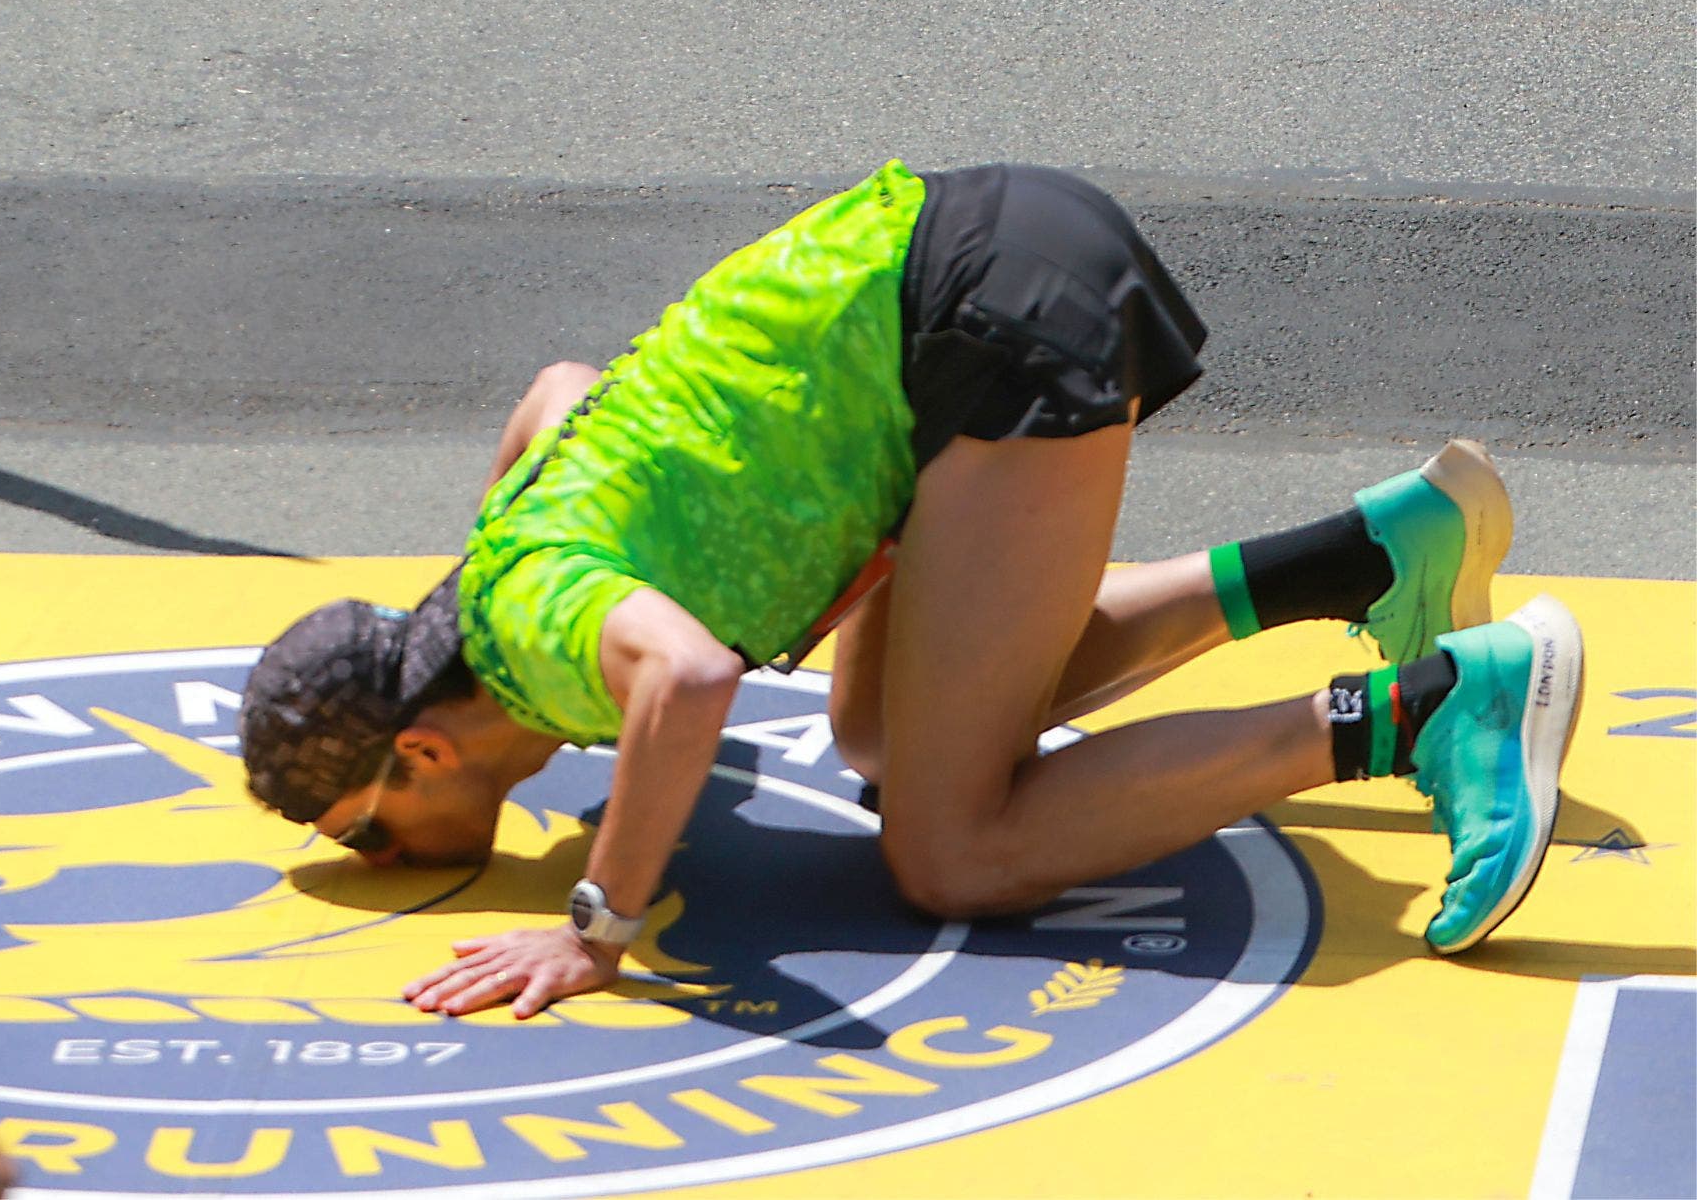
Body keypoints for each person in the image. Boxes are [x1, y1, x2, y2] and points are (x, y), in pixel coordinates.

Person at [236, 158, 1582, 1020]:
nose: (387, 857)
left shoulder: (530, 626)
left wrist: (602, 926)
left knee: (953, 847)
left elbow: (690, 682)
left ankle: (1431, 708)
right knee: (883, 733)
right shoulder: (508, 558)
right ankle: (1360, 557)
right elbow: (555, 391)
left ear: (419, 745)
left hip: (980, 326)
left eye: (368, 829)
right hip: (965, 260)